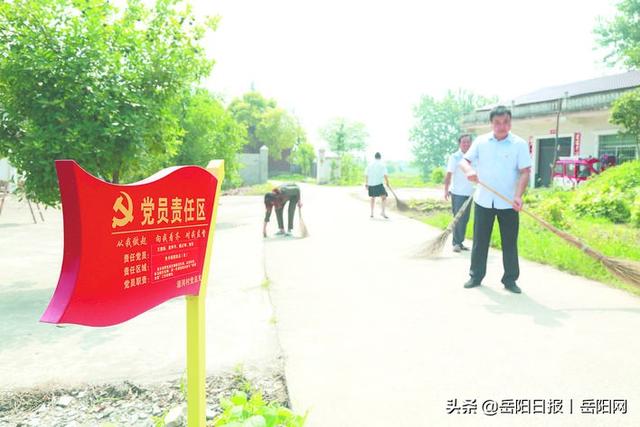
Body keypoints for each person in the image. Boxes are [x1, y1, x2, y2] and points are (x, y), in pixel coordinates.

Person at [459, 105, 532, 294]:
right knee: (480, 241)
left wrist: (518, 196)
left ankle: (510, 280)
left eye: (505, 122)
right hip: (483, 200)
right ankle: (476, 276)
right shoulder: (481, 142)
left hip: (508, 202)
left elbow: (525, 172)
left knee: (509, 242)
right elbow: (464, 161)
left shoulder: (519, 144)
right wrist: (470, 171)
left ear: (510, 123)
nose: (502, 126)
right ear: (491, 123)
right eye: (497, 123)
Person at [444, 134, 474, 253]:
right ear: (459, 144)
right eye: (464, 142)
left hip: (470, 192)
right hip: (457, 193)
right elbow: (449, 174)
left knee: (465, 219)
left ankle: (460, 242)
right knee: (458, 217)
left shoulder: (473, 157)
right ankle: (456, 243)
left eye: (468, 142)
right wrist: (446, 189)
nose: (466, 144)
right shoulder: (455, 157)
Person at [365, 152, 389, 219]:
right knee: (384, 197)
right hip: (378, 184)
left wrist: (366, 183)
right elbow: (385, 175)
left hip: (371, 184)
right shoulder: (382, 164)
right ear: (380, 157)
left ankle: (372, 213)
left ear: (374, 157)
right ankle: (382, 212)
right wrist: (387, 182)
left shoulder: (369, 164)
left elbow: (366, 175)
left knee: (372, 198)